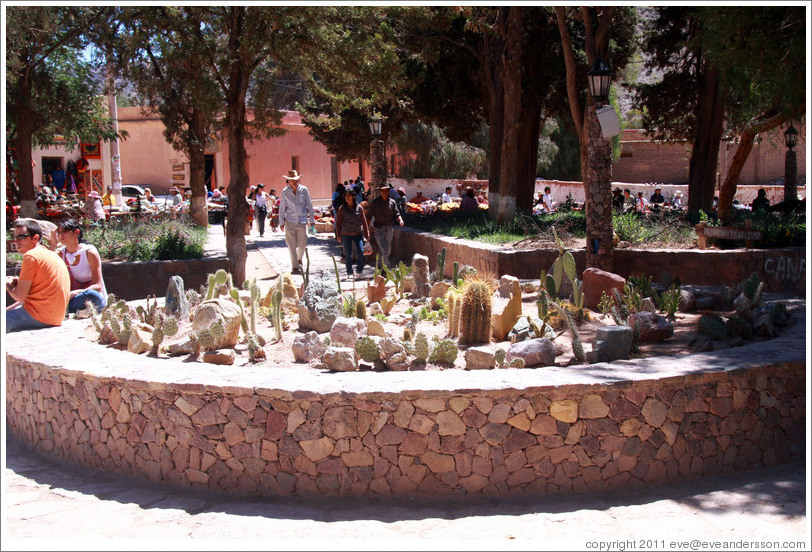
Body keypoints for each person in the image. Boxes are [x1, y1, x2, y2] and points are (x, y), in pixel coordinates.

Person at [6, 219, 70, 332]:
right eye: (15, 237)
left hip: (38, 316)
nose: (16, 241)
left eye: (21, 237)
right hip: (56, 317)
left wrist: (7, 285)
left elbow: (19, 297)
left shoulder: (31, 256)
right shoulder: (52, 254)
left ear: (35, 238)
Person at [56, 218, 107, 314]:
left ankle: (66, 308)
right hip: (70, 297)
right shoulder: (60, 254)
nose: (61, 235)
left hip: (86, 295)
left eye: (64, 231)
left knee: (93, 296)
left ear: (76, 233)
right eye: (59, 232)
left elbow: (97, 286)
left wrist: (75, 293)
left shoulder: (89, 252)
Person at [278, 169, 316, 274]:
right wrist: (281, 222)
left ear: (298, 180)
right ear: (288, 181)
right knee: (291, 244)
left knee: (302, 243)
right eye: (291, 180)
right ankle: (295, 267)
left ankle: (299, 258)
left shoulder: (304, 190)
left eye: (295, 180)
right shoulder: (285, 192)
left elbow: (309, 204)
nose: (294, 182)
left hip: (302, 221)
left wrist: (312, 219)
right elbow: (282, 207)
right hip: (290, 220)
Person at [334, 189, 371, 280]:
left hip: (357, 234)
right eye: (346, 196)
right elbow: (338, 223)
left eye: (349, 196)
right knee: (348, 254)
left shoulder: (359, 208)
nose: (347, 198)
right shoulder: (342, 208)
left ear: (354, 197)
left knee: (360, 251)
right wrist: (338, 235)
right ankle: (349, 272)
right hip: (346, 234)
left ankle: (359, 271)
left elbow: (364, 222)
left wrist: (367, 235)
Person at [368, 184, 404, 267]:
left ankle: (380, 267)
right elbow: (369, 216)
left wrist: (400, 220)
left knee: (386, 249)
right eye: (382, 191)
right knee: (384, 248)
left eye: (386, 190)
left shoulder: (392, 202)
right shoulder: (375, 203)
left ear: (388, 191)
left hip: (389, 228)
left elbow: (396, 214)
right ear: (380, 192)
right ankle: (387, 268)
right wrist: (367, 228)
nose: (384, 192)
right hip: (378, 228)